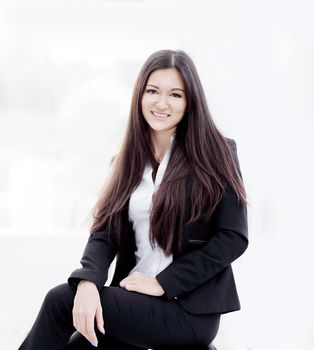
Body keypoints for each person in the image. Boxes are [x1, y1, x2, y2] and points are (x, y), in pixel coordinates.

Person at [18, 49, 249, 350]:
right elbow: (104, 233)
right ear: (140, 95)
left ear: (190, 101)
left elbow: (232, 237)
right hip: (133, 300)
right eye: (153, 91)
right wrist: (88, 282)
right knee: (80, 344)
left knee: (58, 302)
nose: (161, 103)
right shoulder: (126, 160)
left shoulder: (217, 152)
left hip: (188, 308)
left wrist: (164, 282)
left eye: (175, 94)